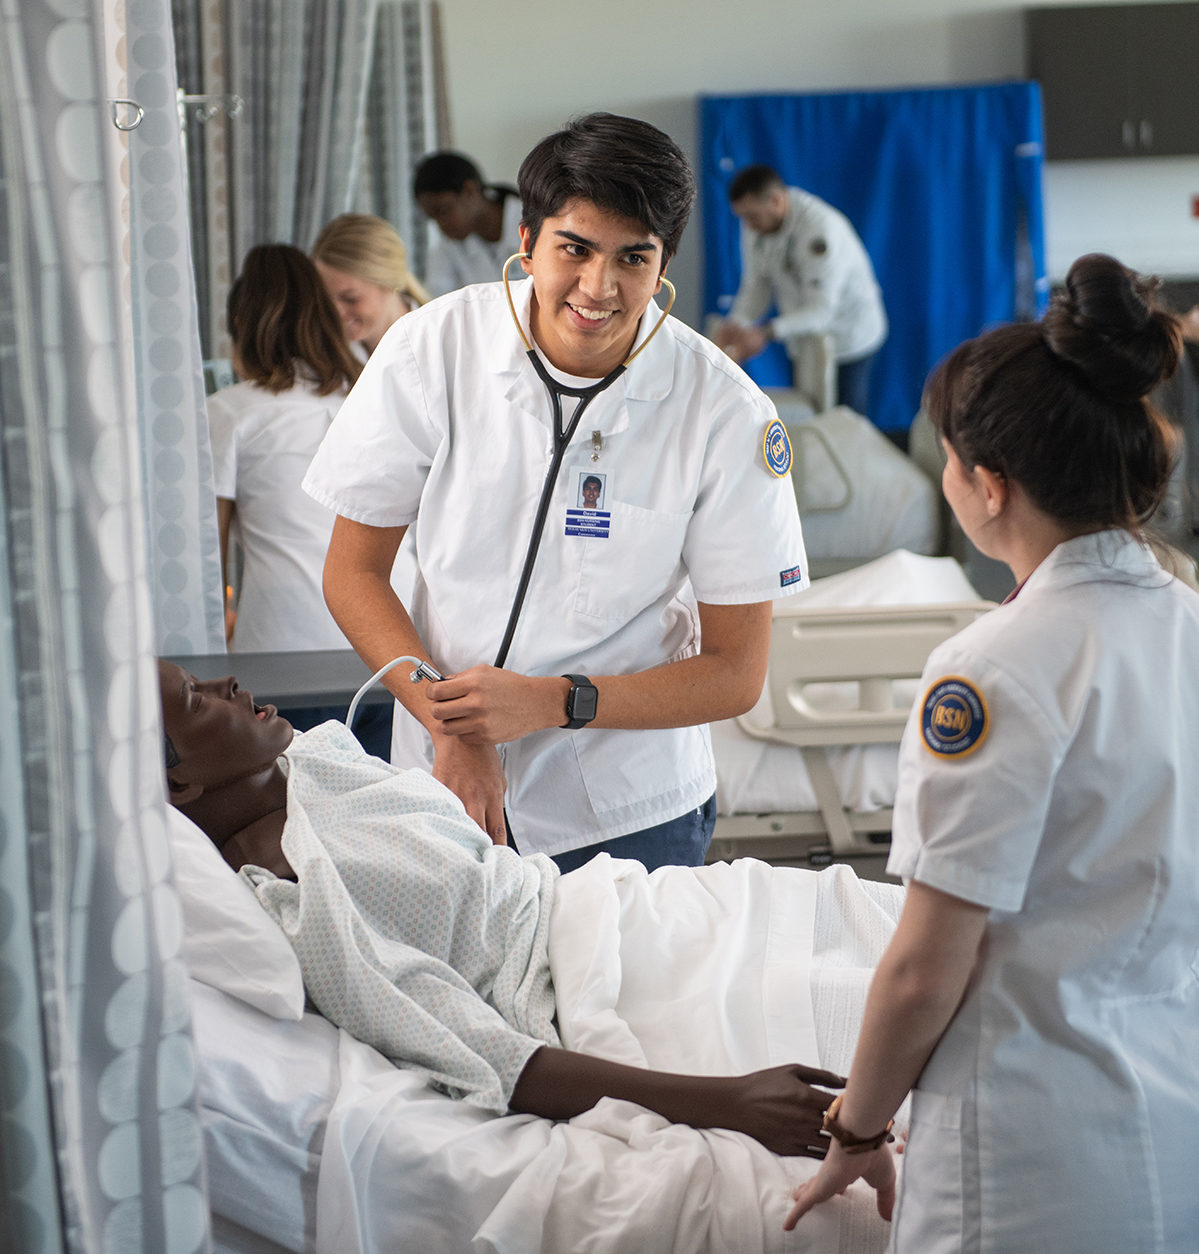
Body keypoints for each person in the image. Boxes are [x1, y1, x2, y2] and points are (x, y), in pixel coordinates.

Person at [784, 253, 1199, 1251]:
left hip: (1029, 1150)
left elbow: (924, 968)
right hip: (1172, 1105)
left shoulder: (989, 669)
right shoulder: (1185, 622)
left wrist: (857, 1126)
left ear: (986, 484)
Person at [302, 113, 807, 873]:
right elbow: (353, 570)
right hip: (443, 788)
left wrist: (554, 701)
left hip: (629, 813)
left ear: (662, 262)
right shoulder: (431, 351)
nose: (598, 288)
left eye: (632, 258)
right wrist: (452, 729)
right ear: (528, 241)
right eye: (575, 249)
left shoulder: (723, 413)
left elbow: (736, 673)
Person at [158, 657, 847, 1155]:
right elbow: (485, 1054)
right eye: (196, 697)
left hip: (637, 905)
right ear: (176, 782)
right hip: (600, 983)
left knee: (861, 916)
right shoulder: (302, 895)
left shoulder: (310, 760)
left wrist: (463, 726)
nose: (229, 682)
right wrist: (729, 1103)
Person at [206, 244, 394, 759]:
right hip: (386, 651)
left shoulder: (232, 414)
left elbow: (208, 554)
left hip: (282, 659)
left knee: (298, 820)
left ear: (242, 325)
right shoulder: (369, 399)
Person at [715, 165, 887, 416]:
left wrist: (764, 333)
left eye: (752, 216)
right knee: (810, 410)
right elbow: (757, 284)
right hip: (804, 334)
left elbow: (821, 311)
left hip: (848, 334)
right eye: (743, 217)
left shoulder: (820, 231)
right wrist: (738, 322)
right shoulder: (756, 224)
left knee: (845, 419)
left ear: (775, 200)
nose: (749, 225)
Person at [310, 213, 430, 357]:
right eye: (326, 300)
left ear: (389, 283)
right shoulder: (321, 351)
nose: (336, 312)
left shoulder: (434, 341)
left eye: (350, 298)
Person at [413, 150, 524, 296]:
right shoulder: (448, 248)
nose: (441, 225)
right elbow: (436, 300)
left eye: (443, 211)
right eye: (433, 218)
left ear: (469, 190)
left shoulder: (536, 221)